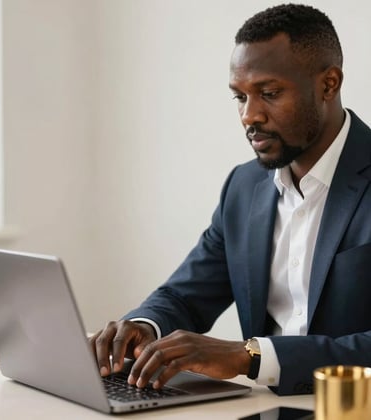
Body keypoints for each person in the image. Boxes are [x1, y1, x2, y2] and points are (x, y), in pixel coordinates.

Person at [90, 4, 371, 396]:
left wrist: (250, 357)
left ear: (329, 84)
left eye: (269, 93)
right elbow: (185, 295)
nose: (249, 115)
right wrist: (143, 326)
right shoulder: (244, 187)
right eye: (239, 97)